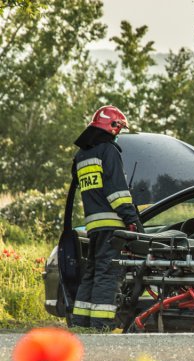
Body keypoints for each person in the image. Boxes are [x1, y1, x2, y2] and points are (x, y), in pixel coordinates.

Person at [71, 105, 143, 331]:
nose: (119, 134)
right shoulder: (108, 151)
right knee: (107, 273)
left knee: (91, 272)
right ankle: (101, 324)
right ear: (111, 126)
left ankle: (81, 322)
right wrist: (132, 220)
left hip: (93, 224)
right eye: (118, 129)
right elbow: (117, 193)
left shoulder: (81, 155)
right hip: (113, 224)